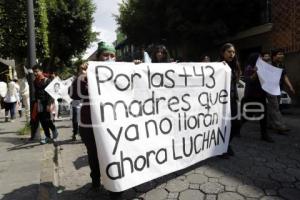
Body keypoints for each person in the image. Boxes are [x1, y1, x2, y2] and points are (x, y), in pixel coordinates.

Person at [73, 41, 116, 190]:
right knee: (94, 153)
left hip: (113, 122)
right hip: (90, 123)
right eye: (105, 55)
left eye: (112, 55)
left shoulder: (120, 72)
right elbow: (74, 95)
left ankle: (115, 183)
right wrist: (81, 77)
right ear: (98, 57)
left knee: (113, 152)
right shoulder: (88, 73)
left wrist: (138, 67)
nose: (109, 58)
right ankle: (96, 180)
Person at [242, 53, 274, 142]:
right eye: (259, 58)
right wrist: (256, 72)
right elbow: (250, 80)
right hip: (251, 96)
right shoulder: (249, 68)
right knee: (248, 115)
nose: (261, 59)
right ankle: (236, 128)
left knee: (263, 116)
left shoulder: (261, 67)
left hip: (261, 95)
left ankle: (264, 135)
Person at [219, 43, 241, 157]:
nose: (231, 54)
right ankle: (221, 148)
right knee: (223, 124)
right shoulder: (218, 66)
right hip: (221, 101)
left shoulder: (235, 66)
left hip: (232, 100)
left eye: (233, 52)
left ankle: (226, 144)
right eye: (229, 52)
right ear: (223, 53)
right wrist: (219, 67)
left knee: (237, 124)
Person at [267, 49, 295, 134]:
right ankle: (280, 126)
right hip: (270, 88)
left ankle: (269, 123)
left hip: (278, 88)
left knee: (274, 107)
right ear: (274, 56)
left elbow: (285, 77)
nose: (281, 55)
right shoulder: (268, 64)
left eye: (282, 54)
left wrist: (290, 86)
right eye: (279, 54)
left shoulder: (281, 65)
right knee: (275, 106)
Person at [31, 64, 58, 143]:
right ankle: (47, 136)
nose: (35, 73)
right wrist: (36, 103)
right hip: (39, 103)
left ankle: (53, 129)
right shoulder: (35, 81)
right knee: (42, 120)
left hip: (46, 102)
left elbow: (50, 93)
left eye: (36, 71)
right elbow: (36, 93)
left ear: (41, 71)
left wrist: (49, 104)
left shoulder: (47, 80)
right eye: (34, 72)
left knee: (46, 119)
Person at [68, 63, 87, 141]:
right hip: (76, 101)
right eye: (81, 69)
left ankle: (84, 134)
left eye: (85, 69)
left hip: (86, 102)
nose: (83, 71)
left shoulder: (90, 80)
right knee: (75, 119)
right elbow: (70, 92)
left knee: (85, 120)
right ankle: (75, 133)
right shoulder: (75, 81)